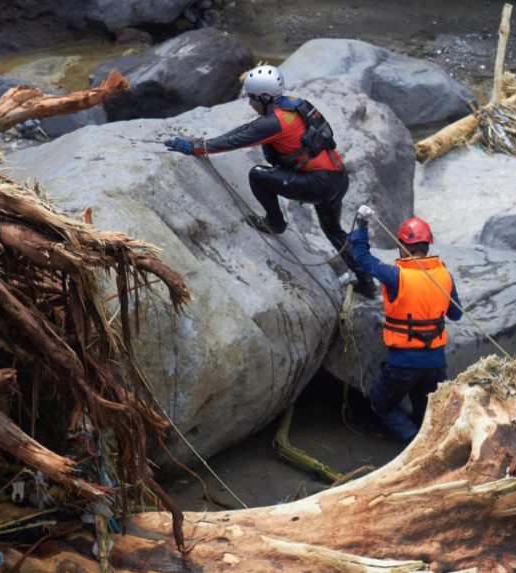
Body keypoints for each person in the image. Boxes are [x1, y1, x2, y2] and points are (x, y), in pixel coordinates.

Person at [163, 64, 377, 298]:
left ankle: (274, 223)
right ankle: (367, 284)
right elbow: (246, 129)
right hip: (337, 176)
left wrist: (195, 147)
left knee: (258, 175)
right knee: (334, 231)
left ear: (264, 98)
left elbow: (236, 140)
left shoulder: (274, 122)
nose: (250, 103)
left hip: (319, 183)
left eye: (252, 98)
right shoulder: (294, 104)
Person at [349, 207, 462, 441]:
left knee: (382, 404)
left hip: (403, 363)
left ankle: (412, 441)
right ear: (427, 246)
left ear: (402, 245)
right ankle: (427, 439)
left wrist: (361, 225)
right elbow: (456, 314)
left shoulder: (395, 275)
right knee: (425, 409)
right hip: (435, 362)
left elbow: (362, 258)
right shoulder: (445, 276)